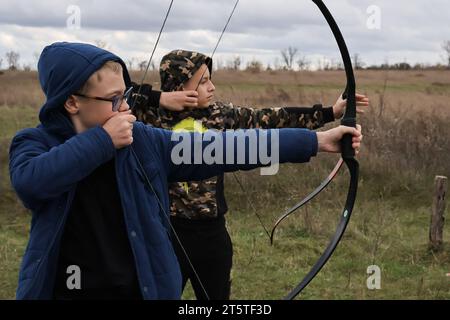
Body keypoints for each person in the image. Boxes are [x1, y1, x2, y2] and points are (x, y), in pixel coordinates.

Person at [9, 42, 362, 300]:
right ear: (71, 102)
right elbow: (32, 183)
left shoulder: (142, 141)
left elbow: (228, 148)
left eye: (127, 95)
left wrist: (318, 142)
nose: (126, 107)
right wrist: (102, 141)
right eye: (115, 100)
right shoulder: (34, 143)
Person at [132, 49, 368, 300]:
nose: (211, 87)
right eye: (202, 81)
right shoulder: (146, 117)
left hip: (211, 235)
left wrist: (330, 112)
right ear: (177, 86)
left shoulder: (220, 114)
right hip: (166, 234)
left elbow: (270, 120)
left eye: (210, 79)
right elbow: (115, 97)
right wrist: (159, 98)